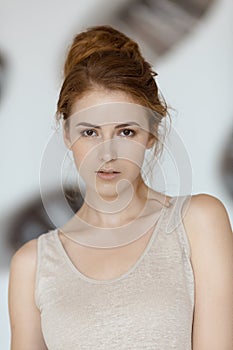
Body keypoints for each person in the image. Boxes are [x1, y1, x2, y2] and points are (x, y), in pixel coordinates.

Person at [8, 25, 233, 350]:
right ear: (67, 135)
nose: (107, 153)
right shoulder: (33, 265)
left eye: (126, 132)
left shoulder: (198, 222)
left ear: (151, 134)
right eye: (90, 133)